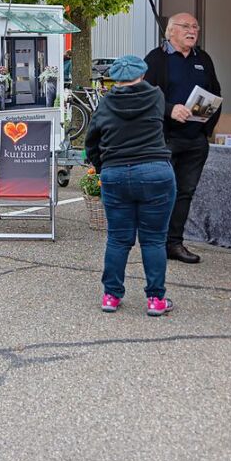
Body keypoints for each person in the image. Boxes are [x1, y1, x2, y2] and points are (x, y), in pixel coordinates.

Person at [84, 55, 176, 316]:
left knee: (118, 238)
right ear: (142, 75)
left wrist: (103, 167)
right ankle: (156, 300)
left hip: (115, 173)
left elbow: (92, 141)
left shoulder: (105, 103)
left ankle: (111, 296)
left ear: (115, 78)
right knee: (154, 239)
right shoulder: (155, 97)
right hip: (155, 171)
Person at [144, 12, 222, 264]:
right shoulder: (157, 59)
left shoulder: (204, 59)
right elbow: (145, 96)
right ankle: (155, 242)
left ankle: (174, 243)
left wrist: (206, 124)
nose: (192, 30)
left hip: (195, 140)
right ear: (170, 31)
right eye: (186, 26)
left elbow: (216, 93)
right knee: (162, 192)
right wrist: (169, 109)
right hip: (165, 138)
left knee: (185, 192)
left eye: (196, 27)